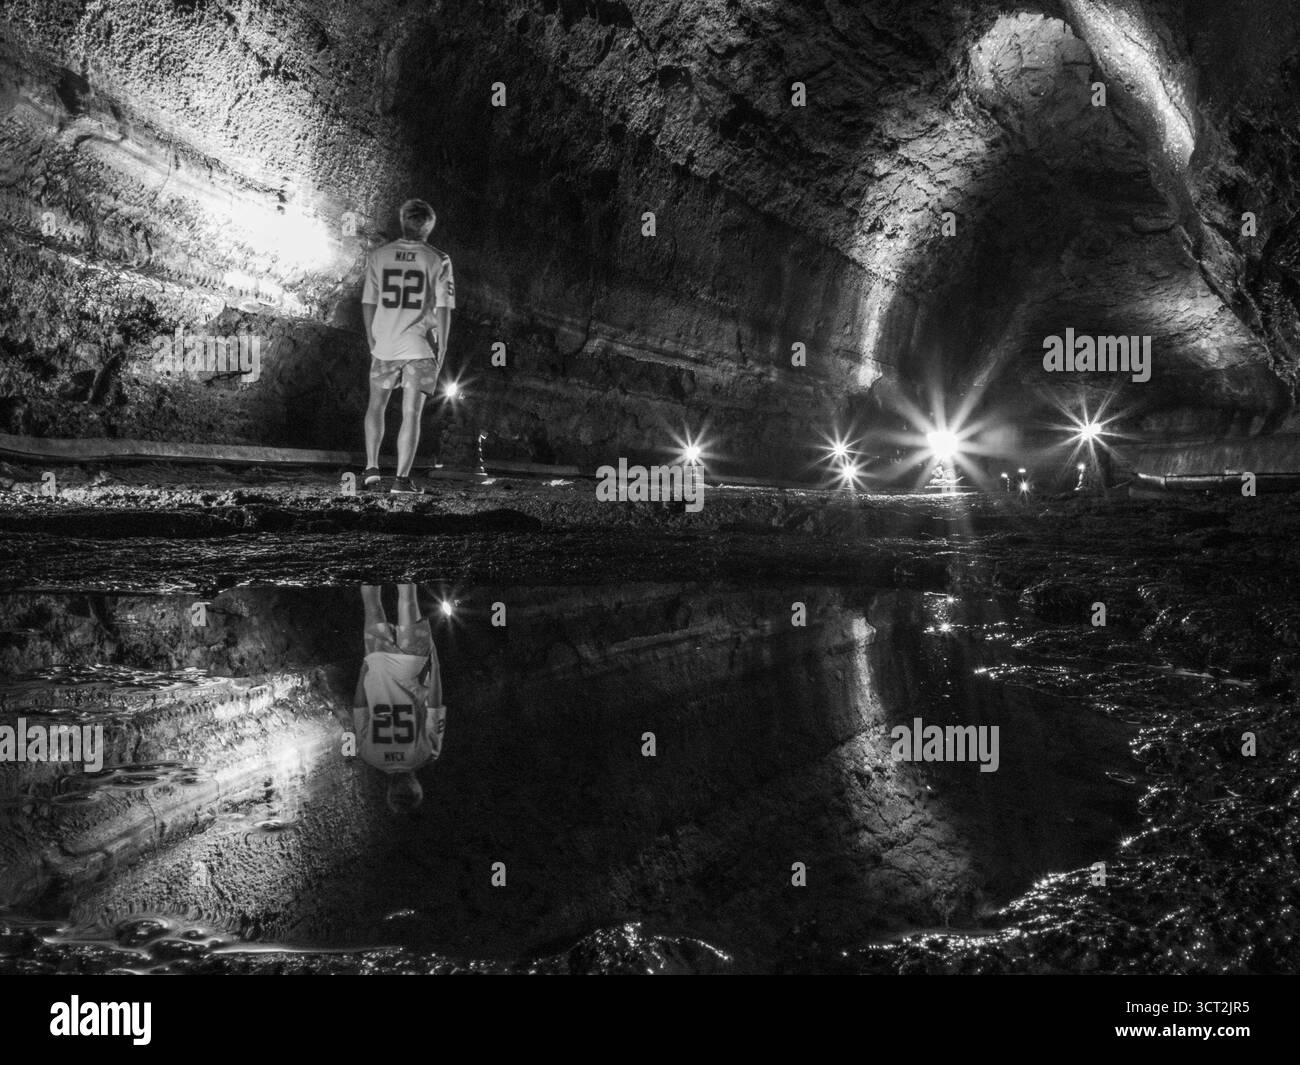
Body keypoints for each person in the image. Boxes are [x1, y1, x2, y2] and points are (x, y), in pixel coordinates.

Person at [360, 199, 455, 495]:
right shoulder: (439, 259)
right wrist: (443, 347)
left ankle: (371, 470)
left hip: (384, 343)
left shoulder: (379, 255)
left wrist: (370, 336)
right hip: (420, 346)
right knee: (411, 413)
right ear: (429, 226)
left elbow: (368, 302)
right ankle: (401, 480)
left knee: (376, 404)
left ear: (402, 221)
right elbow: (443, 309)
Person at [344, 583, 447, 812]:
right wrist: (365, 670)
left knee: (408, 598)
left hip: (414, 665)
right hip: (378, 666)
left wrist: (435, 665)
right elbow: (359, 706)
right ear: (389, 790)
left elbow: (435, 703)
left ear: (417, 787)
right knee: (372, 605)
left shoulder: (428, 753)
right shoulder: (369, 755)